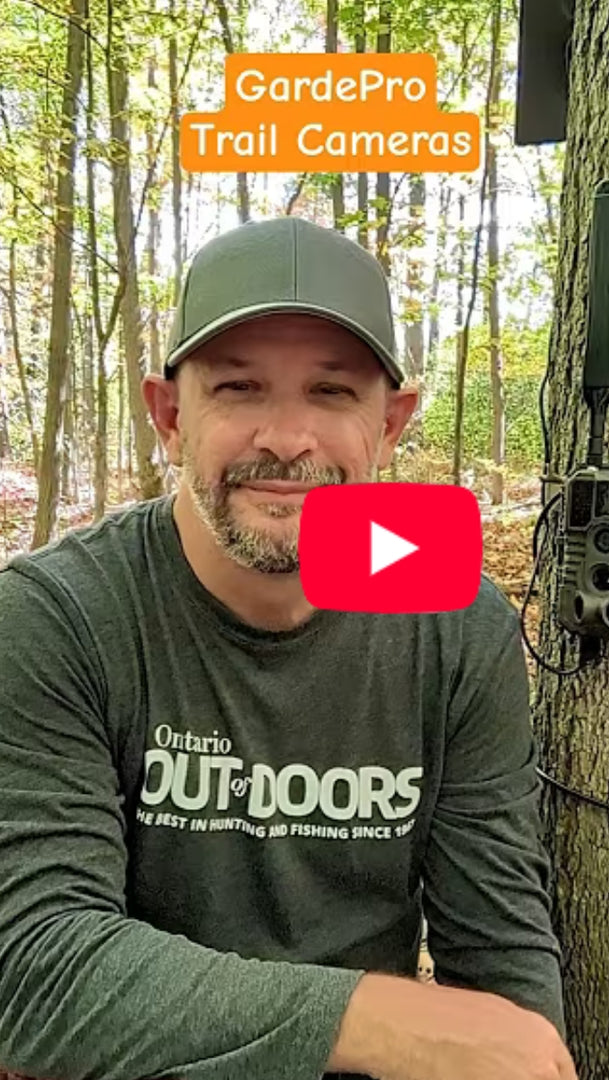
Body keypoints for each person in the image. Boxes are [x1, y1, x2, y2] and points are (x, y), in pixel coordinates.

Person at [0, 217, 576, 1080]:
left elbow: (502, 955)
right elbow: (34, 968)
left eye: (332, 391)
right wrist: (381, 1019)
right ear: (169, 415)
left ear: (391, 424)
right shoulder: (59, 617)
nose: (285, 437)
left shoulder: (453, 623)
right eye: (239, 388)